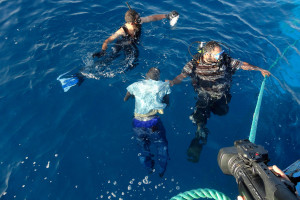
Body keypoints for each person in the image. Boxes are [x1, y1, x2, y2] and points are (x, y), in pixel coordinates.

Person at [167, 41, 271, 163]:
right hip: (204, 93)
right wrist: (172, 82)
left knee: (222, 111)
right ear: (207, 54)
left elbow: (243, 64)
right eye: (217, 55)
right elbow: (182, 76)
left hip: (222, 93)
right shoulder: (194, 64)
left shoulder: (224, 60)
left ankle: (203, 125)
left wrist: (259, 69)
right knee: (201, 111)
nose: (220, 56)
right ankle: (200, 132)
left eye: (221, 53)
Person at [57, 3, 179, 92]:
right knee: (112, 60)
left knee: (131, 62)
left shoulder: (139, 21)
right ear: (131, 22)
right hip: (122, 44)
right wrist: (102, 50)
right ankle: (80, 76)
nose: (140, 18)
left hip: (131, 44)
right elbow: (108, 40)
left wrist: (166, 15)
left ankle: (81, 76)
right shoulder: (122, 30)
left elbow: (152, 17)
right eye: (137, 18)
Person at [124, 67, 171, 177]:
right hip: (153, 123)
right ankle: (161, 170)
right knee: (161, 145)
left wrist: (134, 95)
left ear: (146, 76)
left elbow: (125, 99)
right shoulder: (163, 85)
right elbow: (167, 103)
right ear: (158, 78)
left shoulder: (135, 85)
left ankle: (148, 168)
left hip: (137, 123)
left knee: (142, 146)